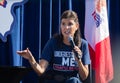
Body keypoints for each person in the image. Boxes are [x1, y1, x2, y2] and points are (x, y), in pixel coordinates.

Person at [17, 10, 91, 83]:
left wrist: (79, 61)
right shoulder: (53, 42)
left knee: (74, 81)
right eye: (63, 24)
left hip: (72, 81)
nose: (66, 27)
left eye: (70, 24)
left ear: (77, 26)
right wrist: (31, 59)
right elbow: (41, 71)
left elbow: (84, 76)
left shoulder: (83, 44)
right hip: (55, 80)